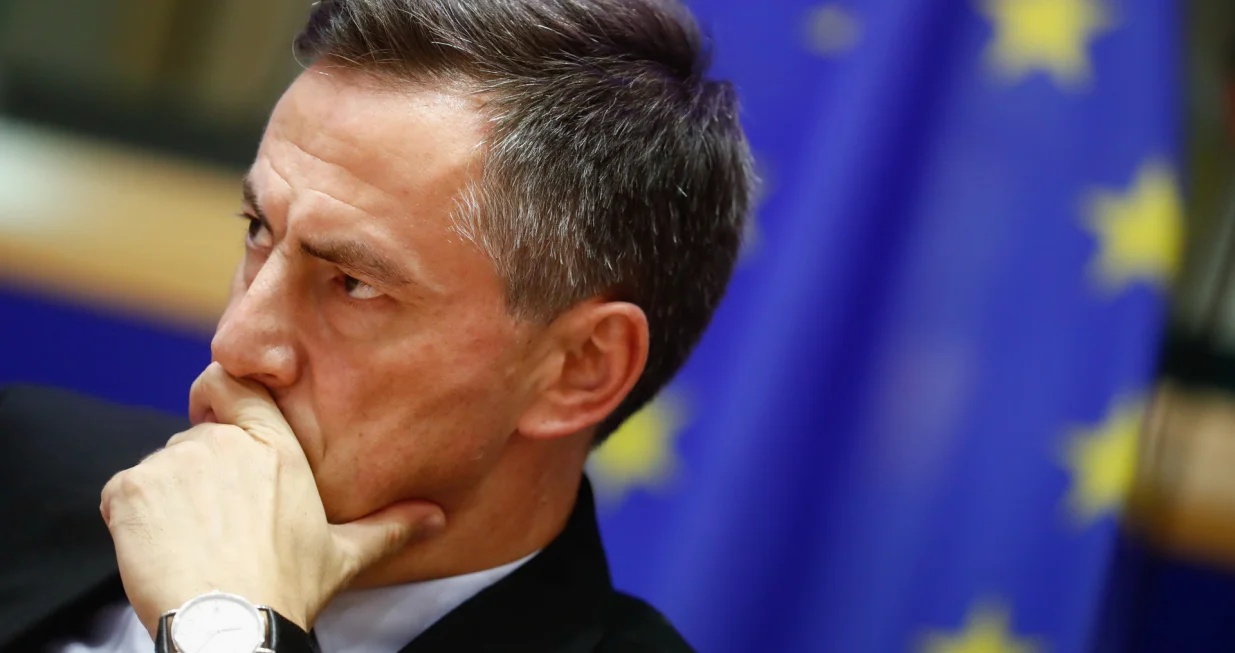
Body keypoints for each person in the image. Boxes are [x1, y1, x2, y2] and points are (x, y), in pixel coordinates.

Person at [0, 0, 754, 651]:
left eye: (353, 283)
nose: (237, 341)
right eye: (258, 228)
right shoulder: (27, 461)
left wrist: (224, 625)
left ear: (579, 367)